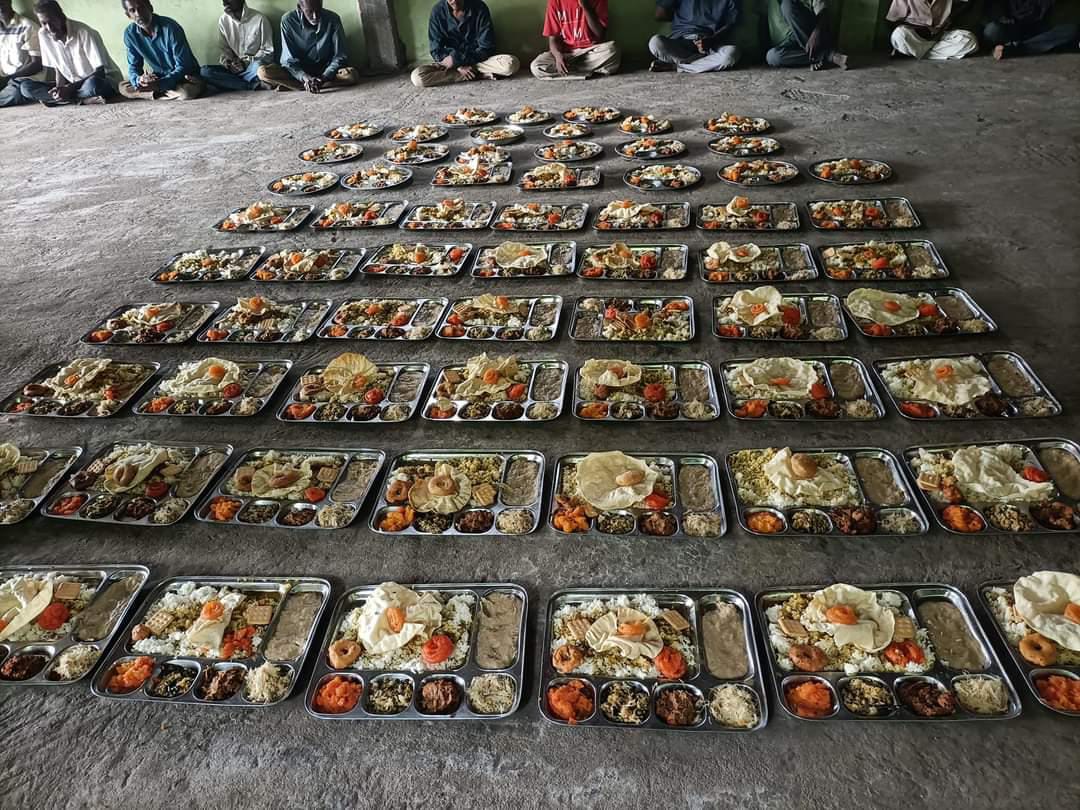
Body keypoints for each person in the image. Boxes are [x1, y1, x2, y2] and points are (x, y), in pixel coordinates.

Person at [11, 1, 116, 106]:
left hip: (100, 80)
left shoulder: (84, 32)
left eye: (52, 21)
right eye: (44, 23)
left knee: (94, 85)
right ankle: (77, 99)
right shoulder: (44, 34)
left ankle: (66, 100)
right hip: (71, 84)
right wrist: (59, 89)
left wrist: (70, 88)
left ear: (61, 17)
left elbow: (100, 72)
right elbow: (58, 68)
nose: (50, 28)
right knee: (25, 88)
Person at [411, 0, 519, 87]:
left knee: (511, 64)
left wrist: (458, 60)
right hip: (450, 64)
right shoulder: (437, 11)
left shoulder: (480, 7)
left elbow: (487, 47)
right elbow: (436, 50)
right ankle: (478, 75)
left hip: (477, 60)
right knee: (418, 77)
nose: (454, 1)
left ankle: (467, 74)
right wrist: (457, 66)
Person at [258, 0, 358, 92]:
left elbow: (340, 55)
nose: (315, 16)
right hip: (300, 73)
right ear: (300, 8)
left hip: (326, 71)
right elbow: (288, 60)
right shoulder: (288, 21)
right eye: (310, 12)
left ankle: (301, 86)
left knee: (351, 75)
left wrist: (324, 77)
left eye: (318, 10)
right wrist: (305, 77)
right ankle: (310, 84)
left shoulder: (333, 19)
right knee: (263, 72)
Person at [119, 0, 204, 100]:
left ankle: (156, 92)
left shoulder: (171, 28)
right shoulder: (130, 34)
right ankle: (162, 92)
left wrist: (160, 84)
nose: (138, 14)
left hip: (183, 77)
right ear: (128, 15)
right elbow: (133, 67)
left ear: (150, 8)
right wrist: (140, 80)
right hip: (159, 77)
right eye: (132, 10)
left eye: (141, 8)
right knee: (123, 87)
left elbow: (183, 67)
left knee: (187, 93)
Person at [530, 0, 620, 80]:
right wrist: (558, 56)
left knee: (612, 50)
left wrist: (585, 6)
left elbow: (600, 35)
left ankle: (570, 71)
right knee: (537, 67)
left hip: (591, 52)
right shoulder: (555, 1)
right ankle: (586, 70)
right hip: (567, 54)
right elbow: (553, 39)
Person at [200, 0, 275, 91]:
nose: (224, 3)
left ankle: (234, 84)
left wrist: (245, 63)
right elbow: (224, 50)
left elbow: (268, 52)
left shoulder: (260, 19)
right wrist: (229, 63)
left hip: (251, 68)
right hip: (233, 71)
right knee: (205, 71)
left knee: (261, 68)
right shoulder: (223, 20)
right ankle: (252, 85)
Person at [648, 0, 740, 73]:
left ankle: (676, 66)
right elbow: (660, 14)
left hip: (712, 43)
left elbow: (731, 23)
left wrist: (712, 40)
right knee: (655, 42)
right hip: (681, 40)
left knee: (731, 54)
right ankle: (701, 62)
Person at [765, 0, 848, 69]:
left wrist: (816, 32)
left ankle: (821, 53)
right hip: (790, 44)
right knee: (772, 57)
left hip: (811, 36)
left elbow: (823, 13)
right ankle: (827, 55)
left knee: (787, 5)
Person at [983, 0, 1079, 59]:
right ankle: (1018, 47)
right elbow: (994, 10)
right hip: (1012, 27)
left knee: (1070, 31)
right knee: (992, 30)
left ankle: (1019, 49)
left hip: (1038, 31)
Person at [887, 0, 978, 59]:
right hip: (915, 36)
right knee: (899, 34)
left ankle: (917, 52)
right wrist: (920, 29)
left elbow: (966, 2)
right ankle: (928, 52)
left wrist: (947, 22)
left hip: (939, 35)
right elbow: (893, 21)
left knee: (969, 39)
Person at [0, 0, 44, 107]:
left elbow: (37, 64)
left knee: (20, 90)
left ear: (9, 1)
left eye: (2, 2)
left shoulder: (28, 26)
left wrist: (8, 79)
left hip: (22, 78)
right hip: (4, 79)